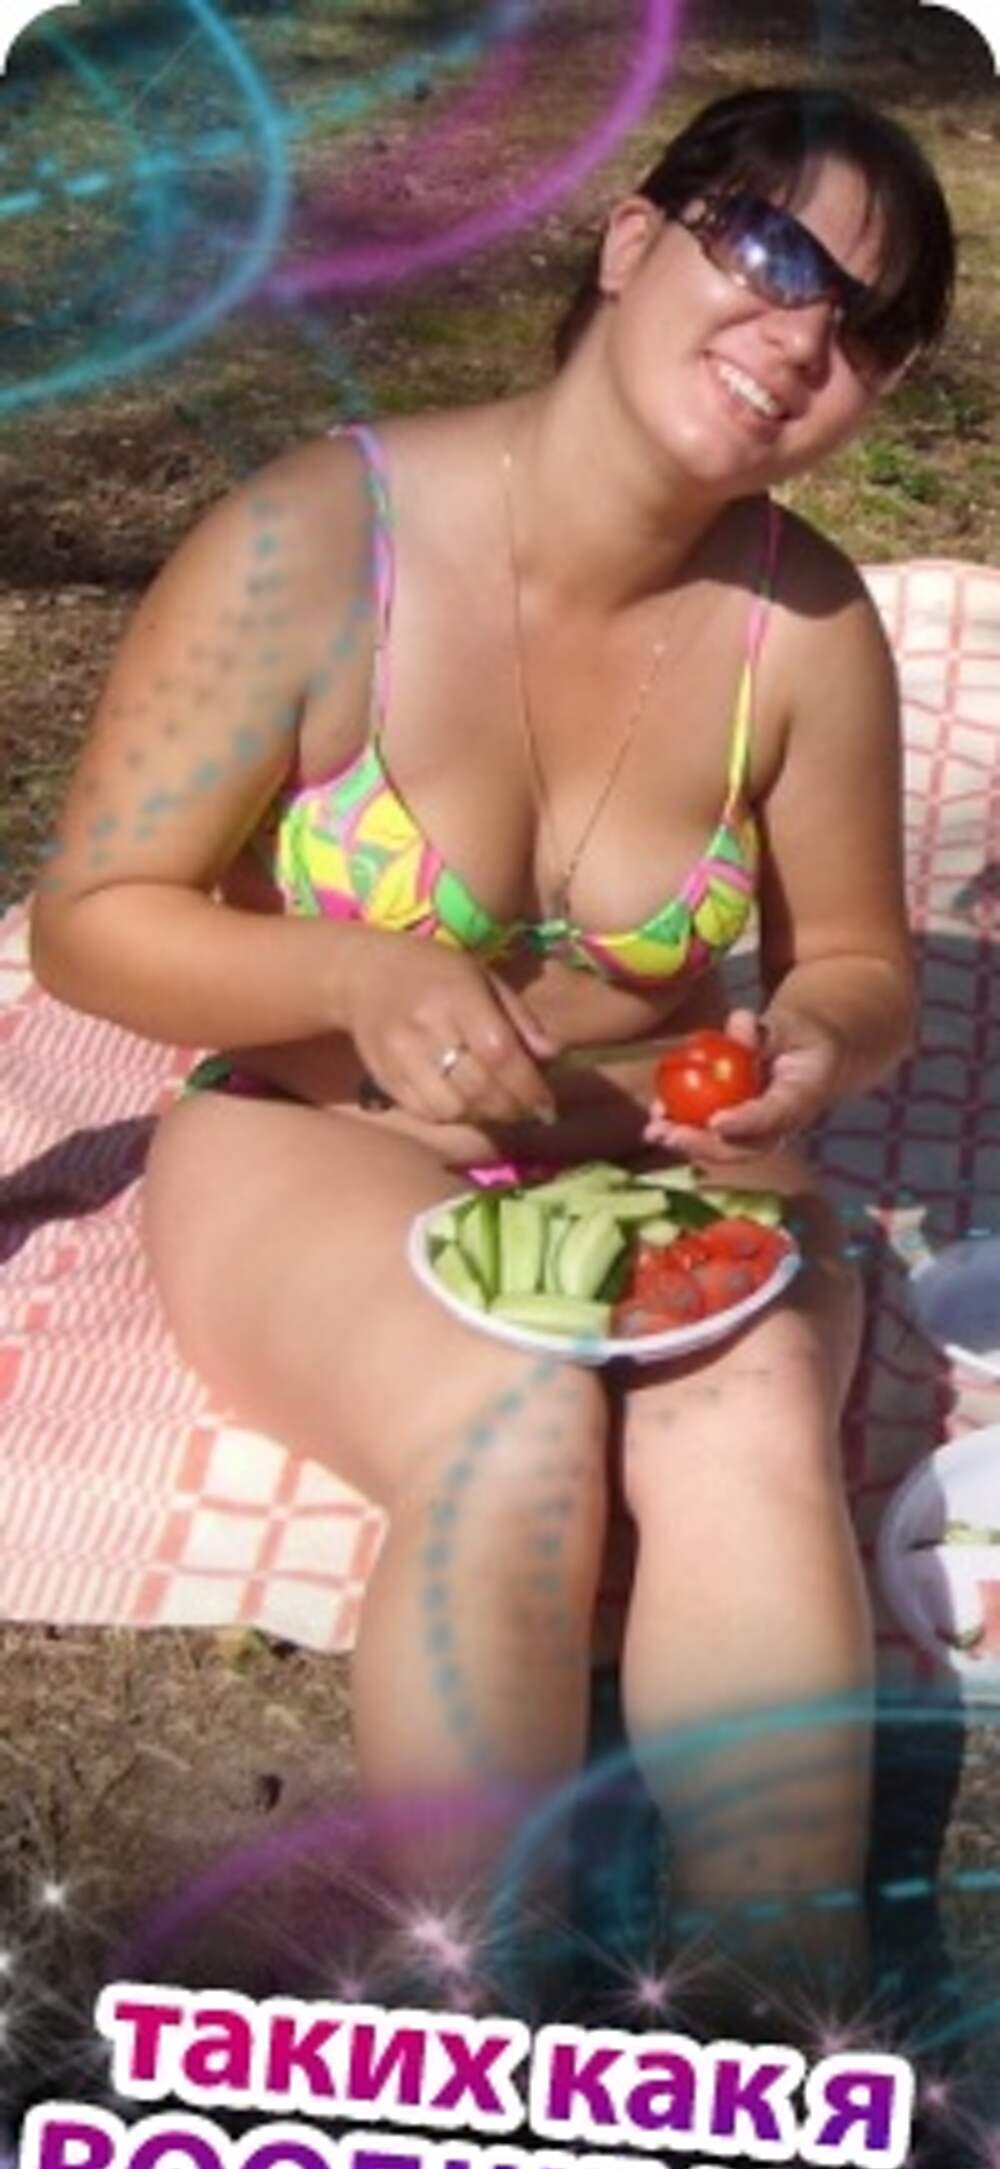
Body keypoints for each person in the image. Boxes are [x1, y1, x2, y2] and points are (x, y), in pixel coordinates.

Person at [30, 86, 955, 2010]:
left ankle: (789, 2019)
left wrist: (808, 1043)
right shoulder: (313, 545)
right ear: (632, 239)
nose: (805, 336)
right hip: (326, 1132)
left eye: (870, 327)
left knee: (746, 1426)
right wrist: (349, 975)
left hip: (666, 1154)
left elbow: (864, 963)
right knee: (510, 1428)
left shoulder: (805, 628)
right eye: (774, 251)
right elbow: (94, 922)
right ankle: (484, 2019)